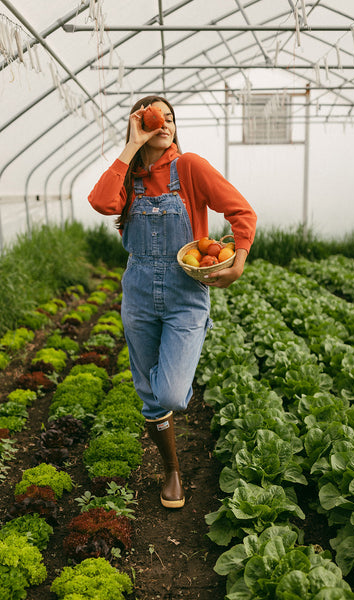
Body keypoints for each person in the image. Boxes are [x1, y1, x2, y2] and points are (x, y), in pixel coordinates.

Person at [88, 95, 257, 509]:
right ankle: (172, 472)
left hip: (184, 291)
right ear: (139, 125)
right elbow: (102, 202)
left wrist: (238, 262)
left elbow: (242, 213)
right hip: (140, 292)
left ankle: (187, 342)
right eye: (154, 118)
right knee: (150, 396)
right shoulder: (129, 177)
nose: (164, 123)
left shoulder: (190, 167)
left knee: (171, 395)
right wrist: (132, 145)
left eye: (170, 118)